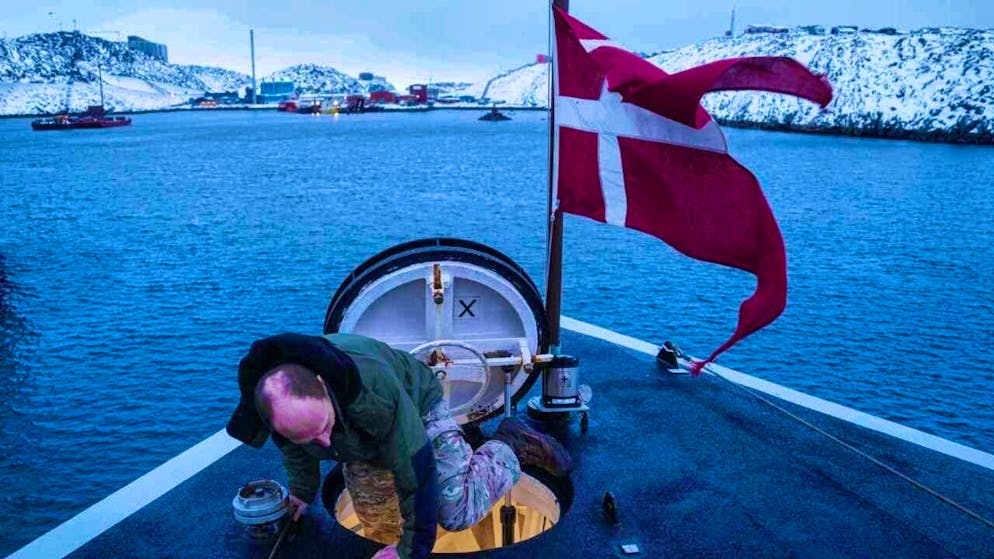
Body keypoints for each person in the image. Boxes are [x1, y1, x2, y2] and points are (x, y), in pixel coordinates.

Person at [226, 332, 572, 559]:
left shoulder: (375, 396)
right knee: (377, 521)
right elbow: (293, 448)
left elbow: (415, 473)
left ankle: (509, 446)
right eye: (309, 438)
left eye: (323, 427)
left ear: (323, 386)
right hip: (357, 432)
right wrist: (301, 491)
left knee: (455, 511)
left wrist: (409, 553)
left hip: (416, 406)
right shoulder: (276, 407)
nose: (324, 444)